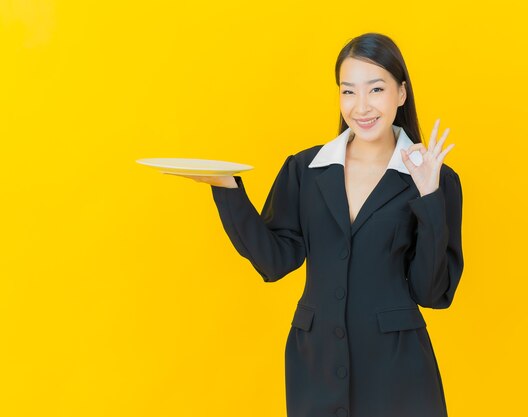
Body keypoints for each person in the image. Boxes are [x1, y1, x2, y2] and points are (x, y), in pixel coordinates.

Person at [170, 32, 463, 417]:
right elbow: (275, 261)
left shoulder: (435, 178)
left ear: (401, 93)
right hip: (316, 362)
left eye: (376, 89)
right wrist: (226, 188)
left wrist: (429, 198)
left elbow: (432, 291)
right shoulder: (305, 170)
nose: (361, 107)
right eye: (348, 91)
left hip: (397, 370)